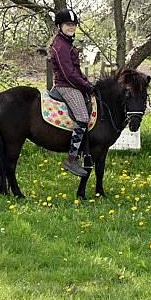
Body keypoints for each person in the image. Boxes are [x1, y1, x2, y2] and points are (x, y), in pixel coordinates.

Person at [49, 9, 94, 177]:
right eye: (68, 24)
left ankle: (86, 152)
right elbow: (68, 74)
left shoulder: (67, 43)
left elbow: (77, 71)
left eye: (73, 25)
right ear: (60, 26)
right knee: (82, 118)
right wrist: (87, 86)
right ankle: (71, 159)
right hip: (66, 86)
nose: (71, 27)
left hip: (73, 84)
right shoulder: (60, 46)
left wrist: (88, 83)